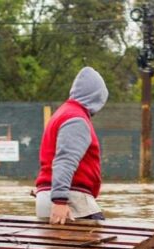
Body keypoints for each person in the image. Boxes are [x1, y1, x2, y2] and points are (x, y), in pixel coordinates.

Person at [34, 67, 108, 224]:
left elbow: (50, 158)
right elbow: (65, 160)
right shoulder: (76, 119)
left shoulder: (60, 114)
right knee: (104, 244)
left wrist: (50, 191)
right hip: (71, 199)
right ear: (96, 97)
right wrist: (60, 199)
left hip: (48, 195)